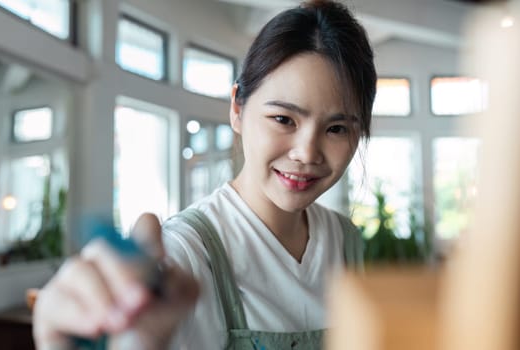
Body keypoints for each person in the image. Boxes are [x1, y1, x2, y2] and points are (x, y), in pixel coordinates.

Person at [32, 0, 376, 349]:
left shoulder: (344, 240)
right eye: (284, 119)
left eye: (336, 129)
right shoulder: (187, 253)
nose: (306, 152)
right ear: (237, 109)